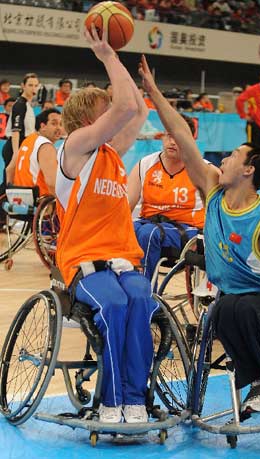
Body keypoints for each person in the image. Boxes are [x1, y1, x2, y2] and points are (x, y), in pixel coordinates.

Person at [138, 54, 260, 415]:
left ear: (248, 170)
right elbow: (183, 136)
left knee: (239, 309)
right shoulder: (213, 188)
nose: (225, 160)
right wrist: (153, 92)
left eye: (233, 155)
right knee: (223, 309)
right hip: (233, 293)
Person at [56, 26, 157, 424]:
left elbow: (138, 110)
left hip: (122, 262)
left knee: (141, 300)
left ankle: (135, 398)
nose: (112, 109)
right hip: (83, 263)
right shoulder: (76, 147)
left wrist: (142, 84)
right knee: (114, 306)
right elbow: (125, 110)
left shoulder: (112, 155)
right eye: (104, 106)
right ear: (86, 117)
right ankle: (110, 401)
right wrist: (107, 56)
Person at [128, 115, 206, 283]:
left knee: (149, 234)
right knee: (129, 229)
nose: (172, 141)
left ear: (190, 141)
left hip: (189, 230)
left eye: (179, 137)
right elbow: (124, 207)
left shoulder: (203, 169)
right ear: (162, 136)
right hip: (150, 223)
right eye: (169, 135)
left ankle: (147, 295)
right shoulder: (145, 164)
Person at [2, 73, 40, 190]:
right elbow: (15, 130)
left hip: (22, 147)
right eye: (30, 85)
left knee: (14, 182)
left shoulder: (28, 105)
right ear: (23, 86)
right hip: (15, 147)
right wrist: (16, 153)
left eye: (35, 85)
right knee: (9, 183)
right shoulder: (19, 104)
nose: (33, 88)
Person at [13, 109, 62, 196]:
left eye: (61, 124)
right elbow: (52, 183)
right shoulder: (46, 146)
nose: (59, 128)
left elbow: (9, 170)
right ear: (43, 126)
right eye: (54, 123)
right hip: (39, 202)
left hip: (19, 199)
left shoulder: (27, 141)